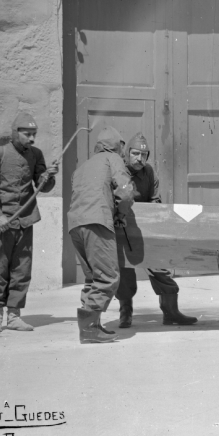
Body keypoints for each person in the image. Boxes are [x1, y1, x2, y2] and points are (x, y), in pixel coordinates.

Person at [0, 112, 59, 333]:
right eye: (27, 134)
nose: (32, 139)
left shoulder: (36, 154)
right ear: (15, 133)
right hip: (1, 224)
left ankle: (13, 316)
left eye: (34, 135)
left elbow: (43, 187)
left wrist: (48, 177)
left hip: (25, 221)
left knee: (22, 270)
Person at [115, 133, 197, 328]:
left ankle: (171, 312)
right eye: (135, 154)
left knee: (160, 268)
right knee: (125, 272)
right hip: (124, 228)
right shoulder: (119, 171)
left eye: (144, 155)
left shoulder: (149, 172)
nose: (139, 159)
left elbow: (155, 201)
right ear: (127, 153)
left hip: (145, 228)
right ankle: (125, 312)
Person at [67, 126, 135, 344]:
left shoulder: (83, 166)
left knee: (92, 277)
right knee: (108, 276)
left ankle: (92, 326)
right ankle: (89, 330)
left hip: (75, 225)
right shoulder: (112, 159)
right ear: (117, 145)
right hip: (98, 221)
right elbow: (125, 192)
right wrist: (120, 215)